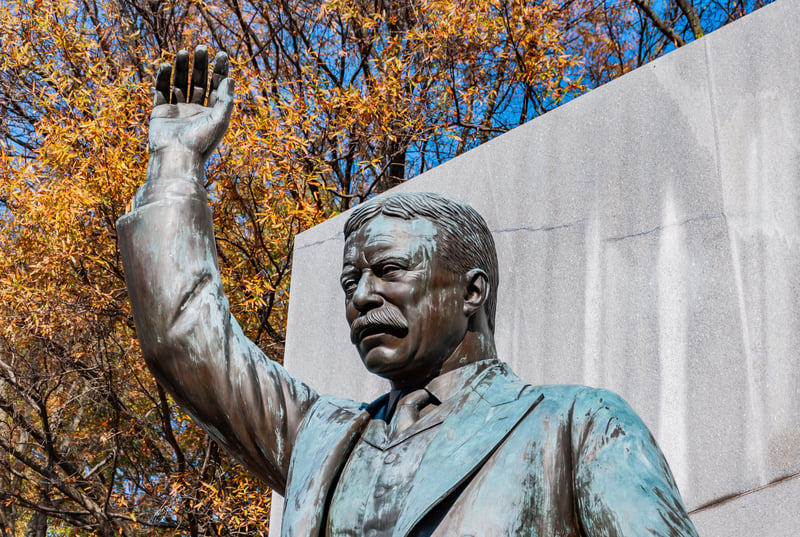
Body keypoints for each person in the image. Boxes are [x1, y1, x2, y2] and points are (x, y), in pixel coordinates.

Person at [118, 47, 699, 537]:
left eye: (390, 270)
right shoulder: (320, 437)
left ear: (472, 292)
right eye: (351, 281)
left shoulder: (577, 426)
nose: (363, 296)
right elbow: (183, 336)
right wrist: (175, 161)